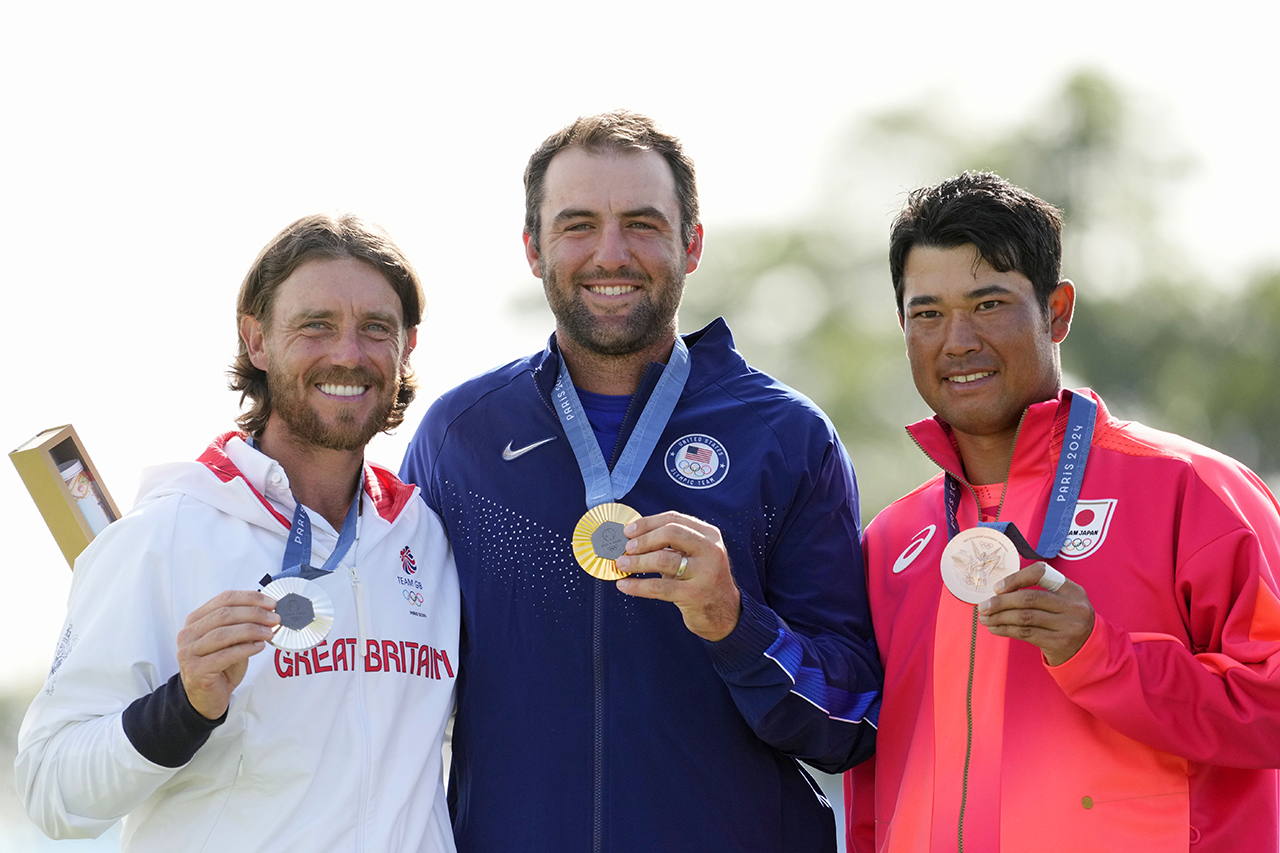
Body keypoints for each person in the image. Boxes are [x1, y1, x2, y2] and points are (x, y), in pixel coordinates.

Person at [399, 110, 881, 853]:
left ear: (691, 244)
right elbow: (397, 685)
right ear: (534, 249)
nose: (611, 254)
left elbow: (854, 719)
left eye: (643, 224)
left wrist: (734, 621)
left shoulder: (786, 437)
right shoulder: (460, 438)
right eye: (579, 225)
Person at [844, 171, 1280, 852]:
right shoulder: (892, 538)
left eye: (989, 303)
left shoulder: (1193, 490)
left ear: (1058, 310)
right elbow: (874, 777)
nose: (956, 341)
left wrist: (1100, 654)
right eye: (927, 312)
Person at [16, 214, 460, 852]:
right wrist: (185, 706)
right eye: (316, 325)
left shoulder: (425, 538)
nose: (348, 354)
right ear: (257, 341)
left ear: (407, 347)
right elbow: (49, 790)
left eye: (375, 329)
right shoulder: (165, 533)